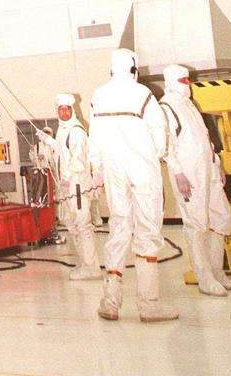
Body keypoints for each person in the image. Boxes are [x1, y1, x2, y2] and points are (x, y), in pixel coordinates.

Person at [89, 48, 177, 322]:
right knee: (148, 230)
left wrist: (98, 169)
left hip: (114, 171)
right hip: (142, 170)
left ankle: (110, 302)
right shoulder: (143, 94)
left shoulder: (98, 95)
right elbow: (160, 133)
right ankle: (148, 305)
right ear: (134, 69)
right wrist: (158, 153)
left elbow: (94, 138)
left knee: (119, 228)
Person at [160, 63, 231, 296]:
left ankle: (217, 272)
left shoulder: (190, 104)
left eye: (187, 80)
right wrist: (178, 172)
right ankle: (204, 277)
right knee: (197, 224)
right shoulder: (167, 108)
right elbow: (166, 144)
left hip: (208, 170)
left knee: (221, 218)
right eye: (183, 81)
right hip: (189, 174)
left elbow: (205, 138)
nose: (187, 85)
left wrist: (216, 165)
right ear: (172, 82)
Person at [37, 93, 102, 280]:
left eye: (67, 109)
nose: (64, 113)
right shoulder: (62, 130)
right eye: (61, 109)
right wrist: (47, 140)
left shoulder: (76, 131)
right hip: (68, 187)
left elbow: (78, 161)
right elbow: (61, 149)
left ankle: (91, 266)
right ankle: (85, 263)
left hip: (77, 186)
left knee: (83, 224)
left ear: (72, 110)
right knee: (71, 223)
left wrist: (67, 179)